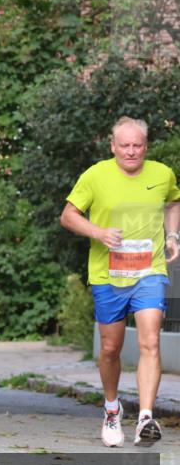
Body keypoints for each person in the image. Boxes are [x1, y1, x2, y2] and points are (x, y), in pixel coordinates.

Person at [61, 117, 180, 447]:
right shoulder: (95, 176)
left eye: (137, 145)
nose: (131, 151)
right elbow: (68, 215)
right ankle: (112, 410)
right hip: (109, 275)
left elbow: (173, 201)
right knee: (111, 348)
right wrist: (98, 232)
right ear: (113, 146)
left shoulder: (162, 174)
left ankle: (145, 417)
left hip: (149, 271)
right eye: (124, 145)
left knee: (150, 340)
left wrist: (172, 235)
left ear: (146, 146)